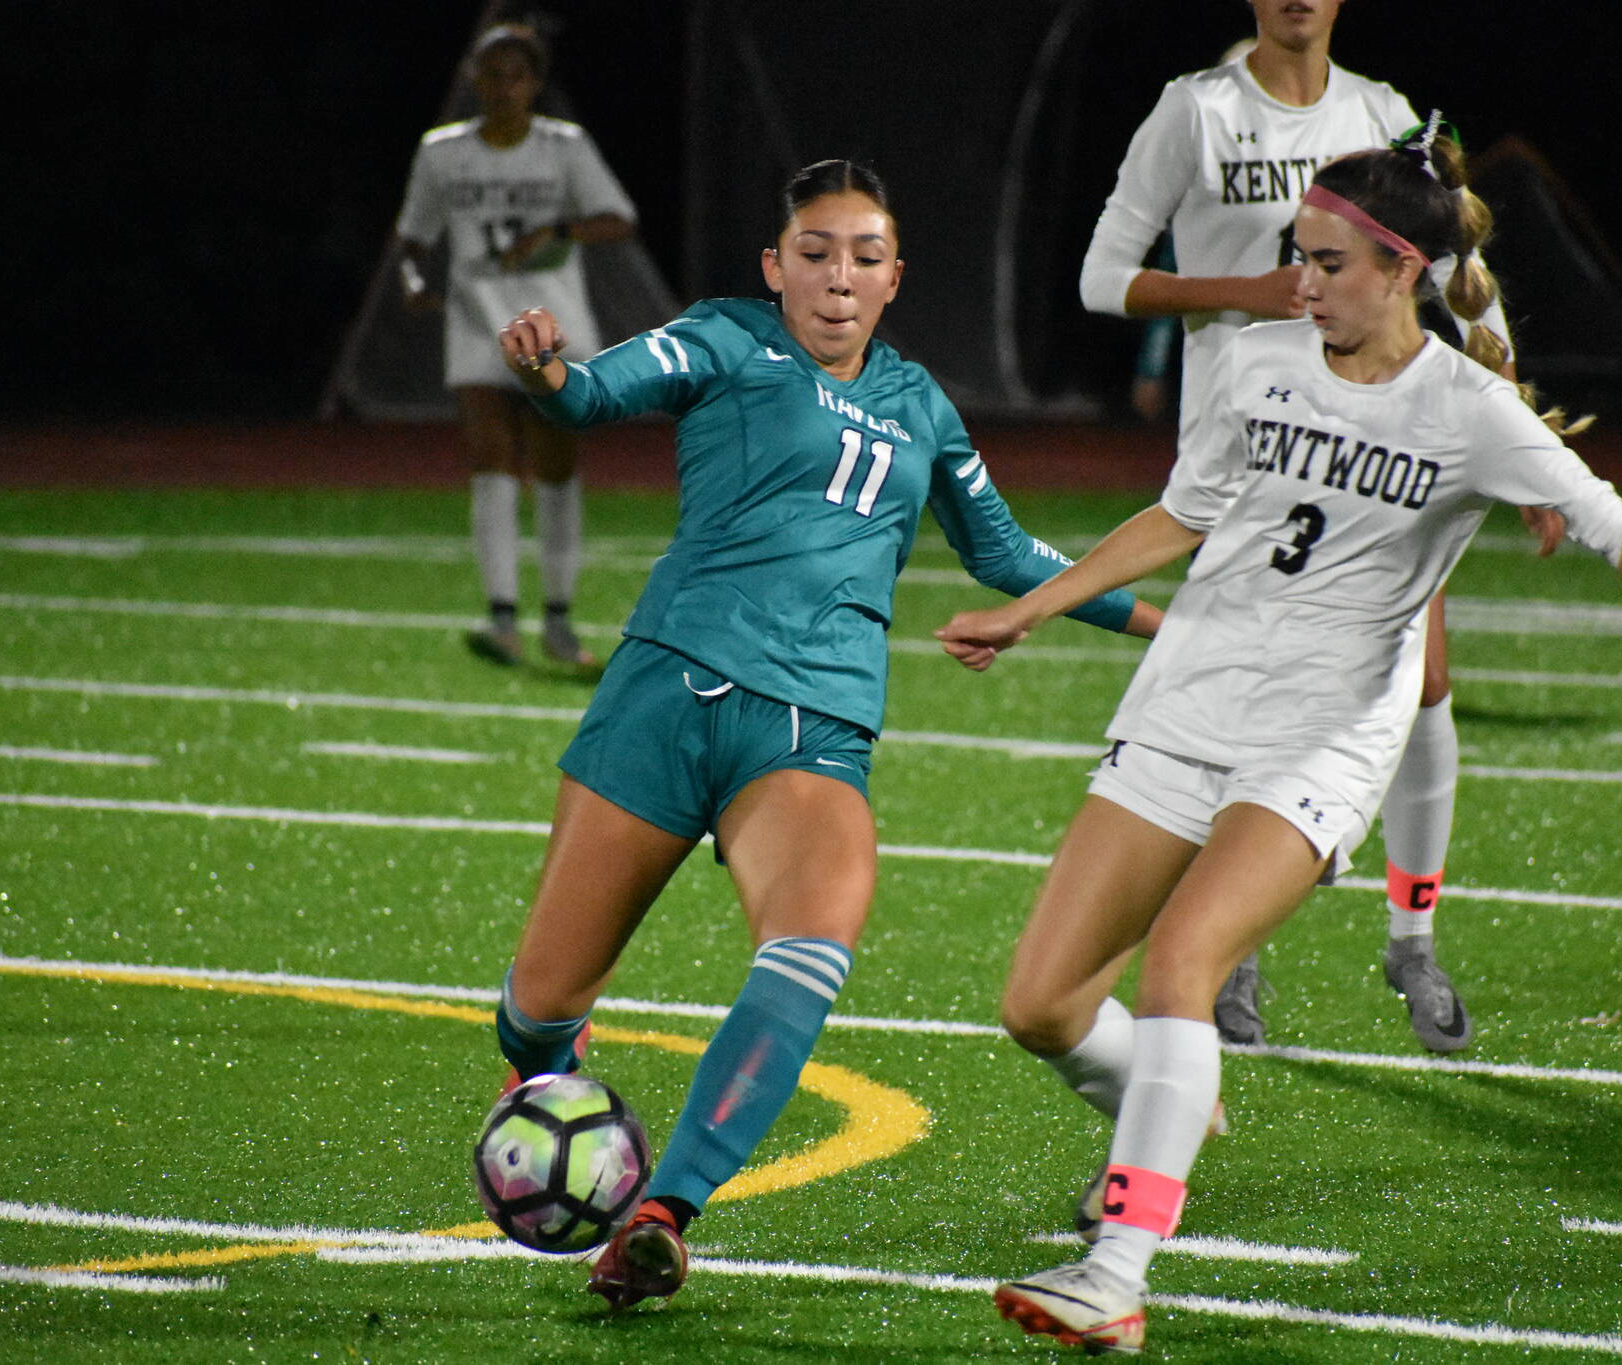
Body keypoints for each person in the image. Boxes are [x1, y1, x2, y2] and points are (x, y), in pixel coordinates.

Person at [941, 127, 1622, 1354]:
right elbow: (1176, 516)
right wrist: (1032, 611)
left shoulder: (1468, 408)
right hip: (1187, 700)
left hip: (1320, 739)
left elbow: (1613, 523)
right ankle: (1170, 1097)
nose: (1297, 285)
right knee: (1040, 1008)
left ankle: (1116, 1268)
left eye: (1324, 264)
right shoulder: (1258, 364)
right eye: (1293, 259)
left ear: (1401, 268)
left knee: (1178, 973)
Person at [487, 159, 1162, 1311]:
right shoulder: (722, 340)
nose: (836, 277)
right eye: (813, 253)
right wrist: (547, 373)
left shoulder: (923, 409)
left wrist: (1162, 625)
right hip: (660, 700)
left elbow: (1003, 554)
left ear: (894, 276)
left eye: (861, 256)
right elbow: (591, 393)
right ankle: (551, 1090)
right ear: (775, 268)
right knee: (536, 1008)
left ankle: (662, 1211)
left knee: (810, 945)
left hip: (812, 730)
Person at [1079, 0, 1558, 1052]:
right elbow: (1100, 278)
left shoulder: (1378, 110)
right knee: (1244, 698)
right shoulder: (1193, 112)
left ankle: (1410, 938)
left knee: (1426, 680)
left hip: (1379, 443)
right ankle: (1230, 949)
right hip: (1246, 452)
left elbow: (1451, 268)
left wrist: (1506, 396)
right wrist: (1242, 291)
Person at [394, 22, 636, 668]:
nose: (504, 87)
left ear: (535, 83)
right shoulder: (442, 152)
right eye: (492, 73)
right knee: (491, 464)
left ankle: (558, 619)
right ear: (474, 79)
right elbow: (412, 239)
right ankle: (502, 617)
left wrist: (555, 228)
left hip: (553, 326)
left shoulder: (564, 147)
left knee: (556, 468)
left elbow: (618, 218)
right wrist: (414, 280)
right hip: (477, 320)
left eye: (517, 74)